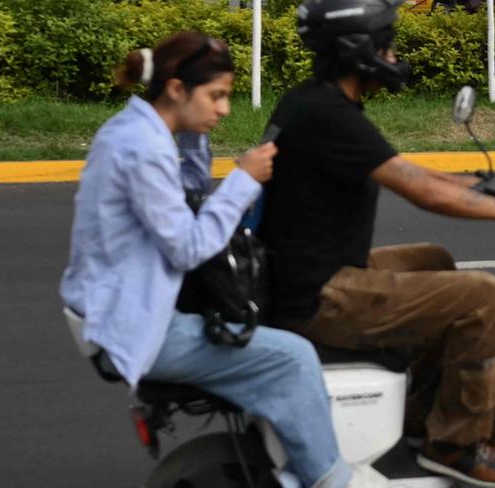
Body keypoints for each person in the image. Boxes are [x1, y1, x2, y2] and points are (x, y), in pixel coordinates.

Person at [261, 0, 495, 486]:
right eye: (386, 44)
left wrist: (485, 184)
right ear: (358, 49)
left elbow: (405, 171)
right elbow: (421, 192)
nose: (394, 55)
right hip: (321, 294)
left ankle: (421, 408)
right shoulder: (330, 116)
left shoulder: (314, 103)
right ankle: (456, 443)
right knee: (483, 297)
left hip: (303, 274)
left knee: (434, 260)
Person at [59, 33, 356, 488]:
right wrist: (242, 180)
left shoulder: (134, 131)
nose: (224, 110)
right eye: (216, 96)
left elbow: (187, 194)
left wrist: (197, 140)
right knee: (294, 358)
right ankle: (331, 481)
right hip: (135, 325)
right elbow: (189, 246)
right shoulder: (141, 149)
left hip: (116, 309)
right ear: (177, 89)